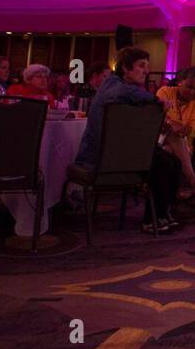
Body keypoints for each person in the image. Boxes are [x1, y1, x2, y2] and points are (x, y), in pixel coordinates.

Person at [70, 46, 180, 233]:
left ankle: (162, 213)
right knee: (160, 162)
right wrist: (156, 100)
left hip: (117, 153)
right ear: (126, 68)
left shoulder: (128, 88)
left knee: (171, 162)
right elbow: (119, 93)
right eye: (141, 65)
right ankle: (152, 219)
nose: (146, 70)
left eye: (147, 66)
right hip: (97, 158)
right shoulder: (113, 85)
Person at [155, 66, 195, 200]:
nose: (192, 92)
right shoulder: (165, 92)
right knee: (171, 137)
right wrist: (171, 124)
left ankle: (165, 197)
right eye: (189, 86)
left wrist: (175, 126)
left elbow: (193, 131)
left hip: (184, 147)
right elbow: (158, 118)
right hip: (159, 140)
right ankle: (192, 181)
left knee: (168, 151)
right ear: (180, 81)